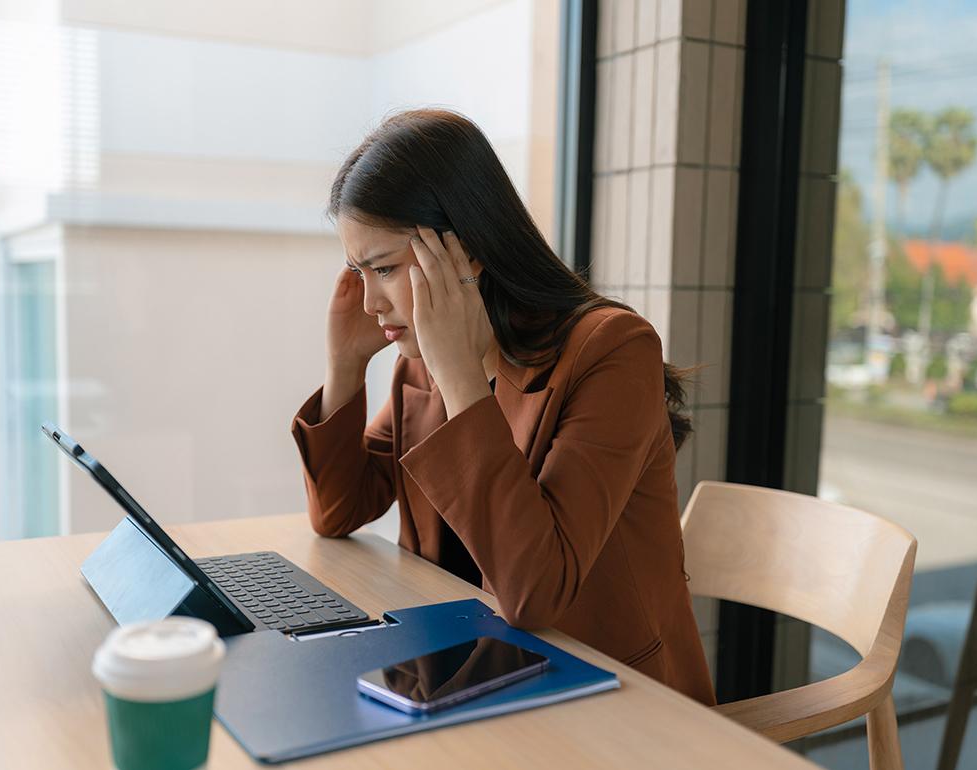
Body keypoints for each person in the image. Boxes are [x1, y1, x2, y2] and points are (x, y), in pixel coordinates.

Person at [290, 108, 716, 706]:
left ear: (466, 254)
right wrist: (344, 367)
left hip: (610, 697)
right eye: (358, 272)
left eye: (384, 269)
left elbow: (536, 593)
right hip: (469, 671)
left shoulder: (612, 350)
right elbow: (338, 511)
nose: (369, 302)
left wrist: (461, 378)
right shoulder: (421, 362)